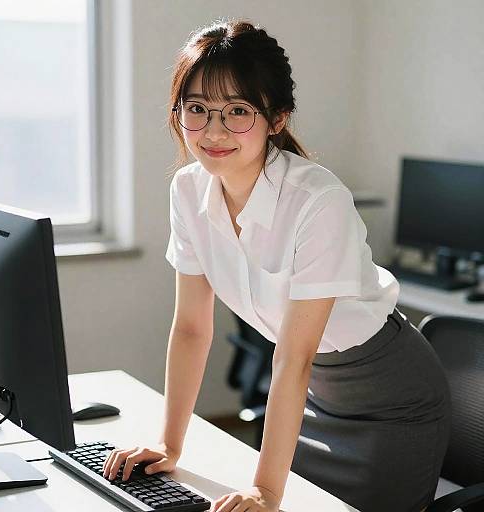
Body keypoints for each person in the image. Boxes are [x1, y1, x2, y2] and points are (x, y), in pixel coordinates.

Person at [102, 19, 451, 512]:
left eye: (237, 112)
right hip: (317, 396)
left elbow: (294, 357)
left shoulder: (318, 199)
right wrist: (168, 445)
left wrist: (266, 490)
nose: (213, 131)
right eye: (196, 109)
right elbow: (191, 329)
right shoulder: (187, 189)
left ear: (278, 117)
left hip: (392, 400)